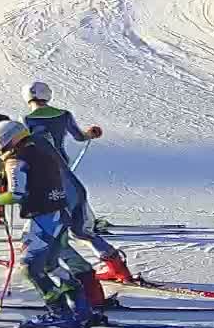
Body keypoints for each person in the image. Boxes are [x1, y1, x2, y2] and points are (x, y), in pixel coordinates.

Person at [0, 119, 97, 328]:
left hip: (44, 219)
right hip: (60, 213)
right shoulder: (40, 149)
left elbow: (16, 194)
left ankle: (59, 313)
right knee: (52, 265)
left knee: (30, 268)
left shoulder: (16, 160)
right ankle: (82, 309)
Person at [21, 82, 134, 283]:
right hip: (67, 176)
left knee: (49, 229)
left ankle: (56, 271)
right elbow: (80, 137)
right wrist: (91, 133)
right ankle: (118, 268)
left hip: (48, 180)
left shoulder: (26, 120)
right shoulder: (64, 115)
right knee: (81, 230)